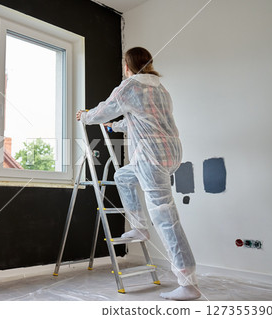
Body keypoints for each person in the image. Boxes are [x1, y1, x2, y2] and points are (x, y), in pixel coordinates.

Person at [76, 47, 201, 301]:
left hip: (151, 157)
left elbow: (104, 110)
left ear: (127, 65)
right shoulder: (160, 89)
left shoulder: (129, 86)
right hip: (170, 153)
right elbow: (145, 119)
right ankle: (140, 227)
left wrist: (85, 116)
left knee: (167, 219)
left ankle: (188, 283)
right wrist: (117, 126)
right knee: (123, 177)